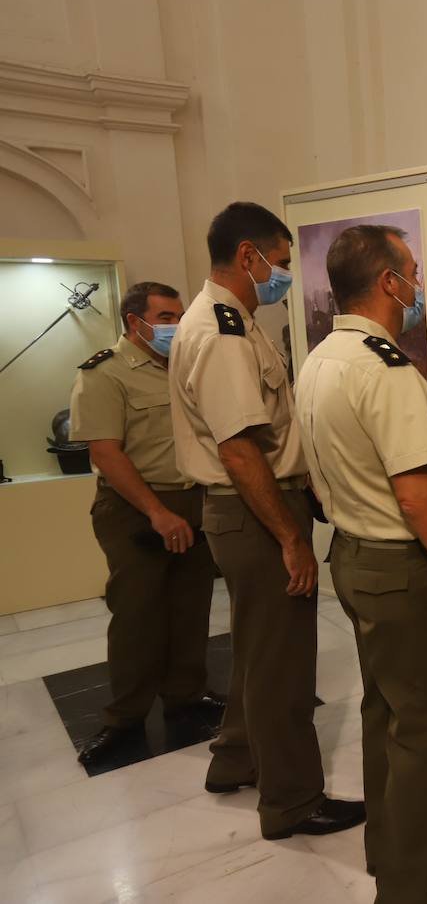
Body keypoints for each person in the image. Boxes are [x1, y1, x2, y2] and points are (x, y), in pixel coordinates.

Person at [296, 224, 427, 904]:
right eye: (410, 269)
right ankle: (410, 889)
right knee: (426, 728)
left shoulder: (322, 358)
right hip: (403, 569)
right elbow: (417, 498)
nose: (416, 283)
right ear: (388, 281)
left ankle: (393, 844)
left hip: (354, 557)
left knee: (387, 711)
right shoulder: (385, 370)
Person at [168, 201, 363, 840]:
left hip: (244, 510)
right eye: (279, 264)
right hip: (254, 513)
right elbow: (239, 448)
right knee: (282, 667)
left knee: (257, 647)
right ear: (247, 256)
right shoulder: (222, 331)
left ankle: (236, 758)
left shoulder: (231, 321)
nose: (282, 277)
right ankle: (292, 802)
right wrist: (290, 538)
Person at [67, 281, 222, 766]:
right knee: (138, 615)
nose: (176, 325)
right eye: (167, 317)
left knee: (190, 607)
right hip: (136, 507)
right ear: (136, 323)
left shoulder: (182, 366)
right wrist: (156, 511)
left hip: (192, 500)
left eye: (179, 316)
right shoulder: (104, 374)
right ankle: (125, 719)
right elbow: (105, 452)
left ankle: (186, 698)